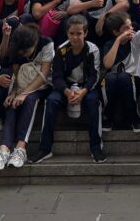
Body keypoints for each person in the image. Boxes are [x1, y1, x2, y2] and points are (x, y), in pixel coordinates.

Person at [33, 15, 106, 164]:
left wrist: (83, 91)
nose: (75, 37)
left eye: (79, 33)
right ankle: (45, 148)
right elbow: (57, 77)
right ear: (67, 33)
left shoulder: (93, 50)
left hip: (86, 87)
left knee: (94, 102)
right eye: (72, 33)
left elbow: (94, 76)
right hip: (65, 88)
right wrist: (67, 91)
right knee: (51, 101)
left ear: (85, 33)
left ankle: (96, 147)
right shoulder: (61, 50)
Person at [0, 24, 55, 170]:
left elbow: (44, 75)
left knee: (30, 99)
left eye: (26, 51)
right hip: (22, 85)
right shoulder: (17, 47)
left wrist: (24, 94)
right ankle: (3, 150)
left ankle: (21, 149)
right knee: (12, 103)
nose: (24, 55)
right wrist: (14, 93)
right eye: (21, 52)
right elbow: (17, 75)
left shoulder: (47, 43)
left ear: (35, 42)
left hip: (42, 86)